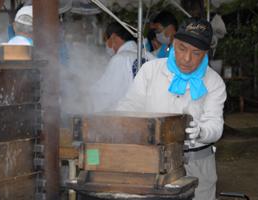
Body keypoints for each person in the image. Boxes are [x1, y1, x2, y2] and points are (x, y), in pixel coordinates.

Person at [115, 18, 227, 200]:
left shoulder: (214, 82)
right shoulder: (150, 71)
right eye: (182, 48)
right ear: (173, 43)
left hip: (196, 162)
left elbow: (216, 126)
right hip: (152, 159)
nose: (187, 58)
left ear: (206, 53)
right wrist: (121, 120)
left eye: (196, 53)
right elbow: (130, 105)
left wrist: (200, 131)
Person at [88, 22, 154, 112]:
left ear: (113, 37)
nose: (106, 44)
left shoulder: (120, 59)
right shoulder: (150, 56)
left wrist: (86, 92)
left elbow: (105, 94)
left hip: (127, 118)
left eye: (106, 39)